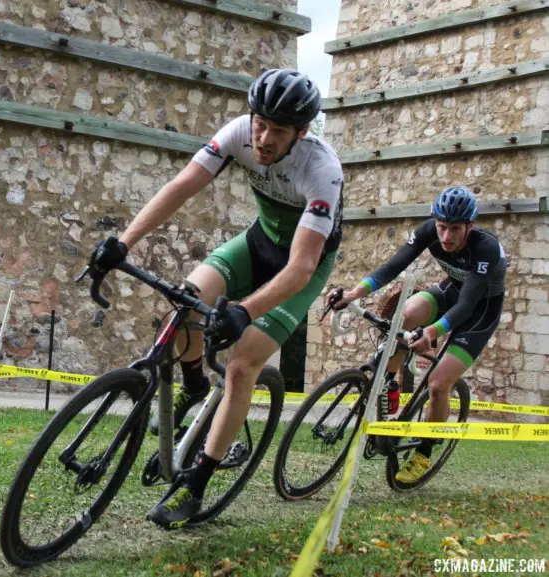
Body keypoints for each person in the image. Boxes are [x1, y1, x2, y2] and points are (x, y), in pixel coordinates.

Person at [88, 69, 344, 529]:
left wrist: (246, 311)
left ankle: (196, 481)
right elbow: (182, 186)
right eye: (260, 124)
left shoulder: (322, 171)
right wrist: (122, 242)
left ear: (302, 133)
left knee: (244, 362)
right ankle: (194, 384)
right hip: (257, 244)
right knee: (186, 300)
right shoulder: (239, 133)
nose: (264, 138)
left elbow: (302, 267)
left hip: (300, 268)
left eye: (279, 131)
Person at [331, 186, 506, 482]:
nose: (446, 237)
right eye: (441, 228)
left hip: (479, 313)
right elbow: (393, 266)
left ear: (469, 227)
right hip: (450, 293)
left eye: (454, 229)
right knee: (407, 312)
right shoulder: (429, 231)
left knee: (438, 384)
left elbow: (467, 306)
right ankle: (388, 386)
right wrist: (353, 293)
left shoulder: (485, 248)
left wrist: (431, 332)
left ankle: (423, 453)